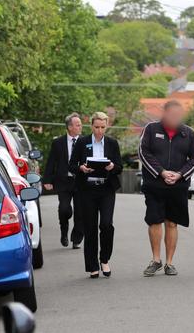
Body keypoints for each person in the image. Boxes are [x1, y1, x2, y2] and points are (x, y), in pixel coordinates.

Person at [139, 101, 194, 276]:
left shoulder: (188, 133)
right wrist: (161, 172)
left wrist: (180, 174)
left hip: (178, 186)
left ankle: (169, 263)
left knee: (172, 223)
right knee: (155, 221)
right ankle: (156, 260)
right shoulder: (151, 129)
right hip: (154, 185)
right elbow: (143, 153)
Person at [69, 112, 122, 278]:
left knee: (106, 224)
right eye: (97, 127)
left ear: (106, 126)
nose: (99, 131)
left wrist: (112, 166)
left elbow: (120, 166)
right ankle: (92, 265)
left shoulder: (112, 143)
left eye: (103, 127)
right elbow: (71, 165)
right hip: (87, 190)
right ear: (91, 126)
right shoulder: (82, 142)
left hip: (106, 189)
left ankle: (104, 259)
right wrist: (81, 168)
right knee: (90, 227)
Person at [43, 113, 84, 249]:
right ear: (70, 127)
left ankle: (76, 239)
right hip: (63, 181)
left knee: (81, 212)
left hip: (80, 181)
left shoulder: (85, 142)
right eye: (77, 125)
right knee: (64, 209)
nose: (80, 127)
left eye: (80, 124)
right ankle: (64, 233)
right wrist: (47, 180)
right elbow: (51, 163)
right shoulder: (58, 143)